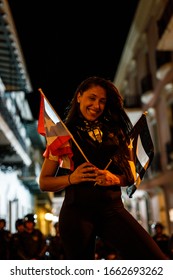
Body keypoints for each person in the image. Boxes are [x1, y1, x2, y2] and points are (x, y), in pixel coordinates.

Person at [39, 76, 167, 260]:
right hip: (76, 214)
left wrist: (115, 179)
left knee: (156, 260)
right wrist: (71, 178)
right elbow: (44, 182)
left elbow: (130, 176)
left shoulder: (116, 132)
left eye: (102, 101)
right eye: (92, 98)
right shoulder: (62, 134)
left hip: (112, 210)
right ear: (79, 97)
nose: (96, 105)